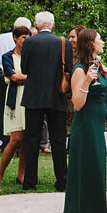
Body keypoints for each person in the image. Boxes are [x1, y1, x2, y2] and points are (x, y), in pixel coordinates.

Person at [65, 27, 107, 213]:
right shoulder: (80, 70)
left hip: (98, 124)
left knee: (97, 167)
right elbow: (77, 104)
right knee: (89, 168)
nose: (103, 42)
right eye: (100, 39)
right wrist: (86, 82)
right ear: (91, 43)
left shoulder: (99, 65)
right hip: (85, 126)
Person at [20, 12, 69, 192]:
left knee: (32, 139)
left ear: (36, 25)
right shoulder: (64, 43)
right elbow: (68, 68)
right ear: (53, 25)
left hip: (34, 95)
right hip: (57, 95)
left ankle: (30, 180)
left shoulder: (29, 42)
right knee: (58, 139)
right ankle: (62, 180)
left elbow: (24, 68)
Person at [0, 25, 30, 189]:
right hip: (15, 98)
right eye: (23, 37)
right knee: (15, 138)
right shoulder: (7, 56)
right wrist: (30, 77)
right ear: (15, 38)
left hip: (28, 98)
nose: (26, 41)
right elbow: (13, 77)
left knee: (26, 139)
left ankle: (21, 174)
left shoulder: (30, 56)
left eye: (28, 38)